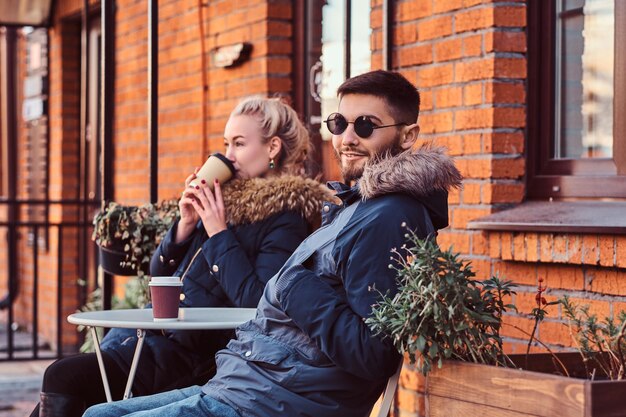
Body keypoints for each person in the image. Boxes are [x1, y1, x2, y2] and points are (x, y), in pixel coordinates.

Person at [83, 69, 462, 417]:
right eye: (339, 122)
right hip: (245, 382)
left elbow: (371, 354)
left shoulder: (388, 218)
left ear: (407, 135)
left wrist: (293, 282)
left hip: (277, 398)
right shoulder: (356, 207)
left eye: (366, 126)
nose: (347, 138)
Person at [32, 97, 333, 417]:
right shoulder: (224, 200)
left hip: (193, 357)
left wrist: (218, 233)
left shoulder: (287, 218)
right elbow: (159, 273)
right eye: (226, 144)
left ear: (272, 148)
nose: (227, 156)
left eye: (239, 144)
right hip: (143, 343)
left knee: (63, 377)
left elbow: (258, 301)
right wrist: (185, 224)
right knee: (64, 391)